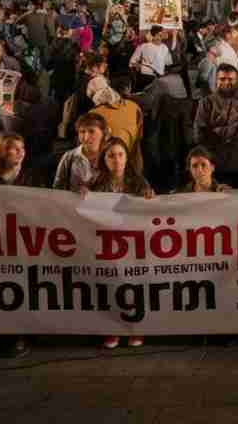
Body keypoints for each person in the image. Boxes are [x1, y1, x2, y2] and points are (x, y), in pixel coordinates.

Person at [90, 137, 154, 349]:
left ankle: (136, 328)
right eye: (111, 156)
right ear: (104, 159)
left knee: (134, 284)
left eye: (120, 155)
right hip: (107, 241)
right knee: (111, 284)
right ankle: (113, 329)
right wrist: (81, 197)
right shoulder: (96, 184)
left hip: (133, 242)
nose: (116, 160)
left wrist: (150, 199)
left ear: (127, 158)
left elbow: (153, 211)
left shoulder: (139, 182)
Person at [192, 64, 238, 188]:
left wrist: (215, 131)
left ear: (237, 80)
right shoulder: (206, 103)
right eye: (222, 79)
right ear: (216, 80)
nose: (226, 82)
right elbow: (199, 135)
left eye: (230, 79)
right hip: (215, 167)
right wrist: (231, 130)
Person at [53, 112, 110, 194]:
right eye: (82, 132)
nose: (86, 137)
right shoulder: (69, 157)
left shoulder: (110, 156)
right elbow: (57, 187)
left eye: (91, 131)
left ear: (103, 133)